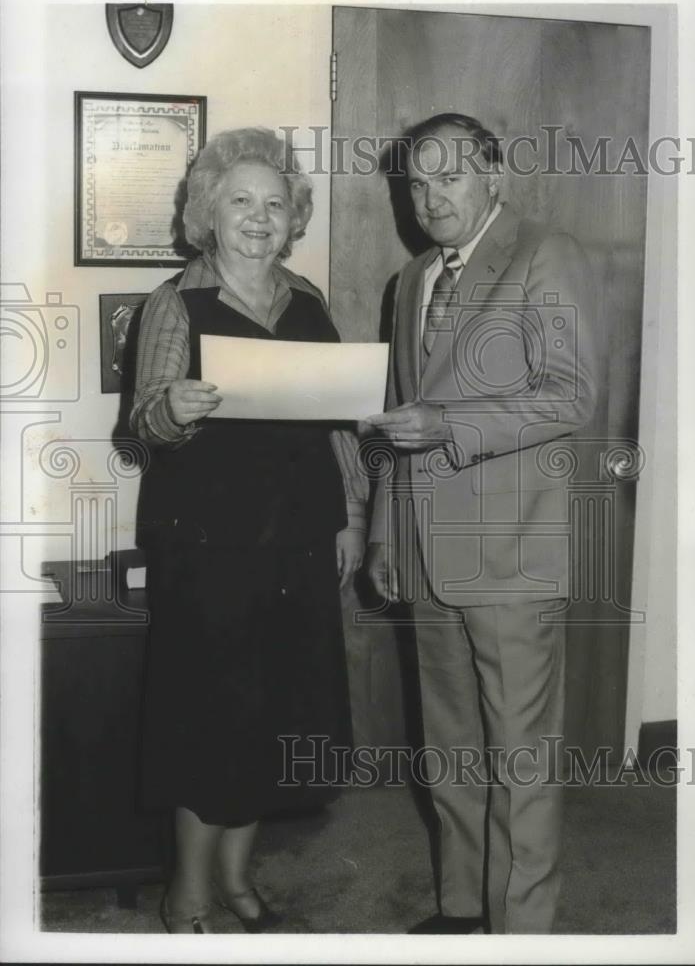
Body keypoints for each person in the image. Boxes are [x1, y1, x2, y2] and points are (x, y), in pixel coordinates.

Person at [364, 113, 599, 934]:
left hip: (513, 552)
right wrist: (386, 536)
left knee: (520, 760)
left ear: (494, 173)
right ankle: (464, 909)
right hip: (428, 554)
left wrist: (452, 427)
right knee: (451, 754)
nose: (431, 200)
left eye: (449, 178)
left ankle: (521, 933)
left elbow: (570, 394)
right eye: (417, 185)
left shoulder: (546, 253)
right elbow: (399, 424)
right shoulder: (410, 283)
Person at [131, 127, 367, 933]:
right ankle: (187, 891)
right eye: (241, 201)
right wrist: (176, 409)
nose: (259, 218)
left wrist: (351, 521)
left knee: (279, 714)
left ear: (292, 215)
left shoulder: (308, 301)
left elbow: (337, 427)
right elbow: (144, 421)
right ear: (208, 213)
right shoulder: (176, 302)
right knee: (213, 717)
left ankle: (236, 877)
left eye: (275, 203)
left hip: (299, 543)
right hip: (206, 547)